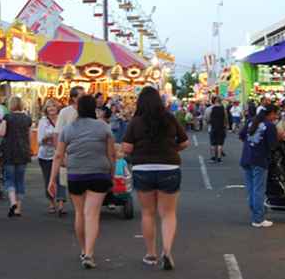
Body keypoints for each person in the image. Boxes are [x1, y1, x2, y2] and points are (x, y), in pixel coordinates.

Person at [122, 86, 189, 271]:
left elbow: (127, 147)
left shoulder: (136, 121)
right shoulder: (169, 118)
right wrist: (172, 150)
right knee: (168, 214)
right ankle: (167, 251)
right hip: (169, 166)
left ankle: (151, 253)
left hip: (143, 168)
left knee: (148, 213)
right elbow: (185, 142)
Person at [49, 95, 115, 270]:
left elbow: (58, 155)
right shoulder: (104, 127)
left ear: (78, 109)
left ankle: (83, 249)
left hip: (76, 174)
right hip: (99, 173)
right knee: (92, 214)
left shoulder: (68, 129)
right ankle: (89, 253)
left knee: (80, 213)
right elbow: (111, 155)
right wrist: (112, 174)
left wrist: (52, 180)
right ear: (94, 108)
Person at [239, 105, 280, 228]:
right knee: (259, 190)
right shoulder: (270, 126)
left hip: (246, 157)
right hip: (260, 159)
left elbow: (241, 136)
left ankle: (255, 215)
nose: (276, 117)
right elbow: (273, 145)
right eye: (275, 114)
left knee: (251, 189)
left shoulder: (251, 121)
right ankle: (258, 219)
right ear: (271, 113)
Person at [0, 96, 32, 218]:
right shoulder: (27, 119)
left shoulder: (7, 117)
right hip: (23, 152)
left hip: (9, 151)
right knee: (20, 179)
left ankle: (12, 202)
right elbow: (29, 137)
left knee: (9, 178)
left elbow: (2, 133)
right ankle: (18, 207)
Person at [37, 99, 66, 214]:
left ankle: (61, 203)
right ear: (46, 109)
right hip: (45, 155)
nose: (51, 108)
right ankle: (51, 202)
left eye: (53, 106)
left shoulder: (62, 120)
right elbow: (39, 140)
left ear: (57, 107)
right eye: (49, 107)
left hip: (59, 153)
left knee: (61, 179)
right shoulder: (43, 121)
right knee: (49, 179)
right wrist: (47, 138)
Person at [207, 97, 228, 162]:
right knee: (220, 144)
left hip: (213, 127)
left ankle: (213, 158)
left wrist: (209, 123)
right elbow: (226, 118)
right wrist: (226, 126)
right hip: (221, 128)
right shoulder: (223, 109)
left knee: (213, 143)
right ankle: (219, 158)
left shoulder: (211, 109)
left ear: (215, 101)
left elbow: (208, 118)